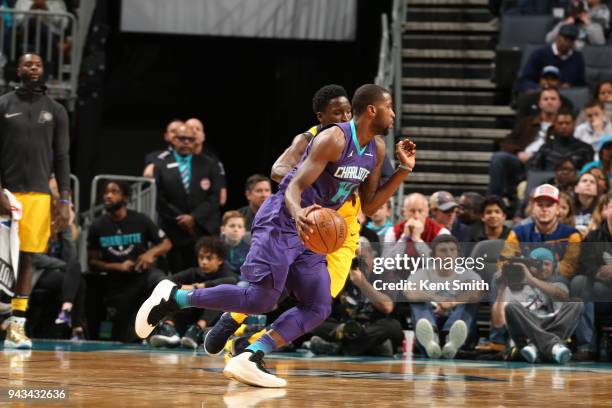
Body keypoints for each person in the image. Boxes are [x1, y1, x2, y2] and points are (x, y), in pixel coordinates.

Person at [136, 84, 416, 388]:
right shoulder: (332, 139)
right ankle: (175, 296)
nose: (394, 114)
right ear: (373, 110)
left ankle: (252, 354)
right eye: (390, 107)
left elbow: (371, 205)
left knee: (319, 305)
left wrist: (403, 170)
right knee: (262, 298)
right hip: (284, 219)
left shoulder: (377, 148)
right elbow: (292, 184)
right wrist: (299, 213)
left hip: (315, 231)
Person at [203, 84, 359, 359]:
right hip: (312, 217)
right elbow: (278, 171)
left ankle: (250, 342)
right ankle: (235, 320)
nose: (345, 118)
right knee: (279, 286)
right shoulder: (311, 138)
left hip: (342, 228)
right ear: (321, 118)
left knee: (322, 298)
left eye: (348, 111)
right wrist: (309, 181)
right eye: (338, 113)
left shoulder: (365, 140)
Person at [0, 53, 70, 349]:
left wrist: (64, 200)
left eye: (38, 64)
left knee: (27, 259)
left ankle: (16, 327)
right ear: (18, 69)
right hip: (6, 193)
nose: (33, 68)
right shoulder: (3, 104)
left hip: (39, 196)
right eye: (27, 64)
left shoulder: (56, 110)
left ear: (44, 70)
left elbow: (63, 158)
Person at [87, 180, 171, 341]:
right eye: (106, 192)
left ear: (125, 196)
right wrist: (118, 266)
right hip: (118, 283)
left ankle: (168, 326)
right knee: (123, 335)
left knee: (163, 282)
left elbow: (166, 243)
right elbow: (92, 262)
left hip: (143, 275)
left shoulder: (141, 220)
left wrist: (150, 254)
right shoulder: (97, 226)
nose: (108, 196)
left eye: (114, 191)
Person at [307, 238, 402, 357]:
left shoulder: (385, 274)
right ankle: (374, 348)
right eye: (354, 259)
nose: (359, 262)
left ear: (373, 255)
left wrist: (362, 283)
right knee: (313, 320)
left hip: (373, 326)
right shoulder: (342, 275)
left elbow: (387, 307)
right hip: (346, 327)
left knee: (392, 326)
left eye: (363, 257)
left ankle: (340, 348)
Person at [155, 124, 223, 272]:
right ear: (173, 139)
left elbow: (215, 196)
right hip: (174, 229)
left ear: (196, 141)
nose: (186, 142)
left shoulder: (209, 163)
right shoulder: (161, 164)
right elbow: (159, 198)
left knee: (204, 275)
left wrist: (194, 218)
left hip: (202, 229)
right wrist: (180, 219)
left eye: (190, 139)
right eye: (182, 138)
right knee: (176, 276)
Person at [495, 248, 583, 364]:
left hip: (535, 346)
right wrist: (501, 290)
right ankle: (552, 346)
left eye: (547, 264)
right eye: (537, 264)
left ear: (553, 267)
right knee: (511, 307)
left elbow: (563, 297)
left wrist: (531, 280)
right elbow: (499, 322)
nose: (543, 268)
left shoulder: (558, 285)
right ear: (528, 266)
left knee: (576, 303)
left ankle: (536, 346)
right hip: (525, 342)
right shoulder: (514, 287)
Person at [149, 237, 238, 349]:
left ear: (220, 260)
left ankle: (197, 330)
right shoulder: (193, 272)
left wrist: (197, 287)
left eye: (209, 258)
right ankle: (169, 329)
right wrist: (178, 288)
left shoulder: (227, 274)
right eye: (201, 257)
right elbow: (166, 281)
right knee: (170, 293)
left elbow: (233, 281)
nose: (204, 262)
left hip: (212, 319)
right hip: (190, 313)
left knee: (217, 296)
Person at [405, 235, 485, 359]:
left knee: (470, 299)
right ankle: (431, 337)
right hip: (431, 320)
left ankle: (452, 338)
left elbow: (479, 291)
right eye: (443, 251)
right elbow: (408, 292)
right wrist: (437, 298)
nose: (448, 254)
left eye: (452, 250)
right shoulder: (423, 273)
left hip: (460, 328)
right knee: (417, 301)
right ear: (434, 255)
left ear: (458, 254)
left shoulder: (467, 273)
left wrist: (453, 302)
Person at [490, 89, 561, 202]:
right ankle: (493, 200)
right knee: (498, 158)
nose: (549, 102)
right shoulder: (527, 122)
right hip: (521, 161)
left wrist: (535, 156)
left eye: (553, 99)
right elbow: (508, 141)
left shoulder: (563, 125)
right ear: (540, 103)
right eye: (546, 99)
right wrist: (518, 152)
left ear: (559, 103)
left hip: (543, 163)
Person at [518, 24, 586, 93]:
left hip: (566, 95)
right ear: (558, 37)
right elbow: (525, 80)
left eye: (571, 40)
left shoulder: (577, 58)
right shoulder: (539, 54)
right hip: (540, 93)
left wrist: (571, 87)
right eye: (565, 39)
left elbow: (581, 84)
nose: (567, 43)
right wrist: (542, 88)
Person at [530, 107, 594, 172]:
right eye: (560, 123)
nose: (564, 126)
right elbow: (534, 172)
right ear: (554, 125)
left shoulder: (585, 149)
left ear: (574, 124)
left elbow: (589, 173)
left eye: (567, 123)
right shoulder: (546, 148)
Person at [186, 117, 228, 206]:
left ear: (203, 136)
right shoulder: (172, 160)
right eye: (190, 129)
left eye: (198, 129)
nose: (194, 131)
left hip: (206, 216)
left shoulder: (213, 162)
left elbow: (222, 198)